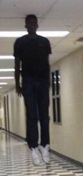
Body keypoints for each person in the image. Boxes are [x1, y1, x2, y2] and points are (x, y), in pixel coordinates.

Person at [14, 14, 51, 165]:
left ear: (37, 25)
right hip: (28, 81)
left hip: (42, 81)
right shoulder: (20, 42)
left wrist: (48, 82)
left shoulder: (44, 41)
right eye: (29, 23)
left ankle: (45, 145)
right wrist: (17, 83)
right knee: (32, 115)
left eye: (34, 23)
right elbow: (17, 64)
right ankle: (33, 147)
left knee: (44, 115)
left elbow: (47, 64)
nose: (32, 25)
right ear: (25, 25)